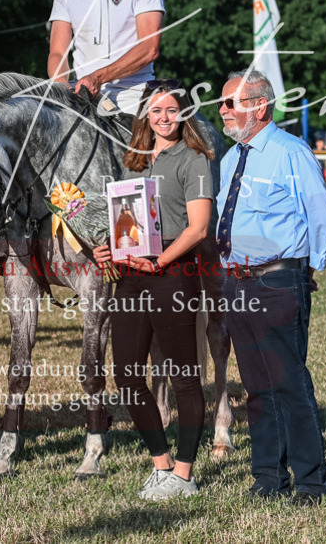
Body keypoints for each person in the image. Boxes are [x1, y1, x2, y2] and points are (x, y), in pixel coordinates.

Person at [215, 69, 326, 506]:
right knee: (256, 386)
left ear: (260, 106)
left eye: (231, 102)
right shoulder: (230, 159)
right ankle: (268, 476)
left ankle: (311, 482)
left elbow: (320, 215)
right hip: (235, 282)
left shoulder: (290, 152)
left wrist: (307, 268)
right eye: (222, 103)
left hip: (277, 279)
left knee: (288, 383)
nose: (222, 110)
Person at [91, 78, 213, 501]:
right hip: (130, 276)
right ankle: (161, 465)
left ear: (184, 113)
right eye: (156, 110)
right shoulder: (134, 160)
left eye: (171, 110)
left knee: (183, 377)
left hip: (173, 273)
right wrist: (108, 248)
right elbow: (128, 224)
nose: (164, 118)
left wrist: (159, 262)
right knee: (126, 375)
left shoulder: (194, 159)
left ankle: (184, 475)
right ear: (145, 114)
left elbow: (198, 228)